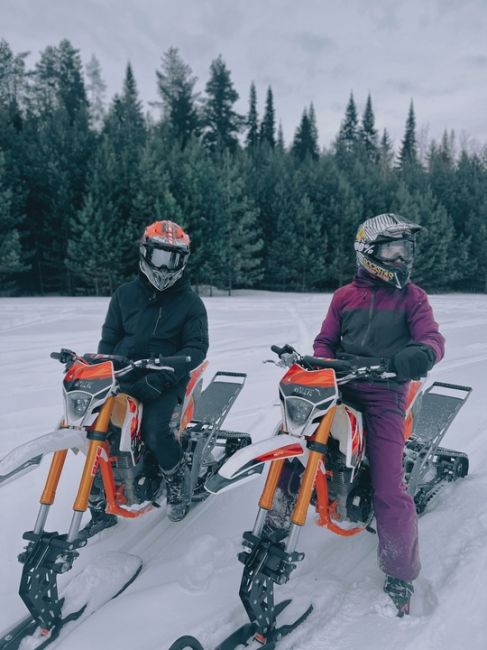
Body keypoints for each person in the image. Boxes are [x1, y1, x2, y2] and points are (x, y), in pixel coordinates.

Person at [266, 213, 445, 617]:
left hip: (385, 393)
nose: (402, 257)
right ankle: (275, 522)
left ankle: (400, 572)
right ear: (369, 253)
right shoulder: (344, 296)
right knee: (295, 442)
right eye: (393, 249)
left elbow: (432, 338)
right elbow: (325, 341)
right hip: (341, 386)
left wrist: (420, 354)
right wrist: (325, 364)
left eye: (405, 249)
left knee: (388, 484)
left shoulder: (412, 298)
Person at [80, 219, 209, 537]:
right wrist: (106, 367)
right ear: (146, 254)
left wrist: (168, 370)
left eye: (173, 259)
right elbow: (108, 339)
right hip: (124, 374)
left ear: (182, 262)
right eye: (160, 257)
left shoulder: (191, 303)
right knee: (102, 430)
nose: (165, 267)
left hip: (166, 378)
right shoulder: (125, 295)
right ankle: (99, 495)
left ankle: (176, 481)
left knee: (155, 431)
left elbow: (197, 346)